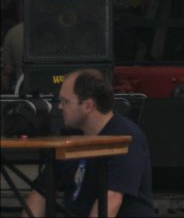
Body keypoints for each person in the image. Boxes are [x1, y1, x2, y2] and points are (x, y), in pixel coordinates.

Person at [24, 68, 154, 217]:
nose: (59, 106)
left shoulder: (125, 137)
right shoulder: (71, 138)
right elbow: (42, 191)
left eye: (65, 101)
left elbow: (111, 200)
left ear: (88, 105)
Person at [1, 21, 24, 93]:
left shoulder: (13, 32)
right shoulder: (54, 28)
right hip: (53, 83)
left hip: (23, 87)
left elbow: (8, 69)